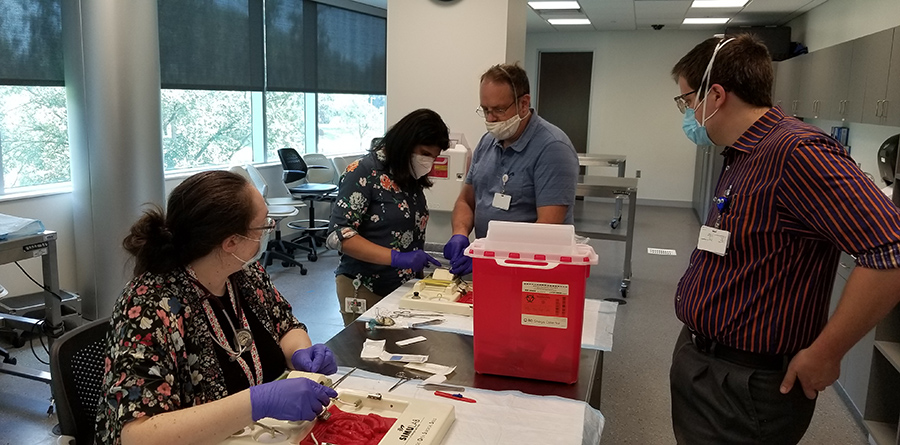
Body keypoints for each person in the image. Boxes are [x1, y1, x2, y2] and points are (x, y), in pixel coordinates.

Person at [669, 34, 900, 444]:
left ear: (716, 95)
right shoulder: (743, 153)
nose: (686, 112)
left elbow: (891, 249)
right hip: (705, 364)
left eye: (687, 101)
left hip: (744, 387)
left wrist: (828, 352)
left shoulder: (796, 153)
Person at [95, 170, 340, 445]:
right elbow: (136, 435)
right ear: (231, 242)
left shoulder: (245, 274)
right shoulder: (148, 306)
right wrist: (256, 402)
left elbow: (284, 325)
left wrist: (299, 352)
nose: (268, 231)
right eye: (263, 226)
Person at [442, 63, 579, 276]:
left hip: (533, 271)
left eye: (498, 110)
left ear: (524, 104)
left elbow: (547, 228)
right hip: (489, 267)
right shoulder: (487, 142)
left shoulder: (552, 148)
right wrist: (459, 234)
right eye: (485, 110)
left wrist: (493, 258)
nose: (490, 119)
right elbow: (466, 200)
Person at [327, 108, 450, 326]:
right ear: (405, 143)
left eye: (434, 156)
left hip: (404, 287)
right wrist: (395, 257)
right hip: (364, 287)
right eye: (424, 153)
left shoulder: (408, 176)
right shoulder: (364, 172)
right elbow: (339, 236)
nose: (429, 162)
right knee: (364, 355)